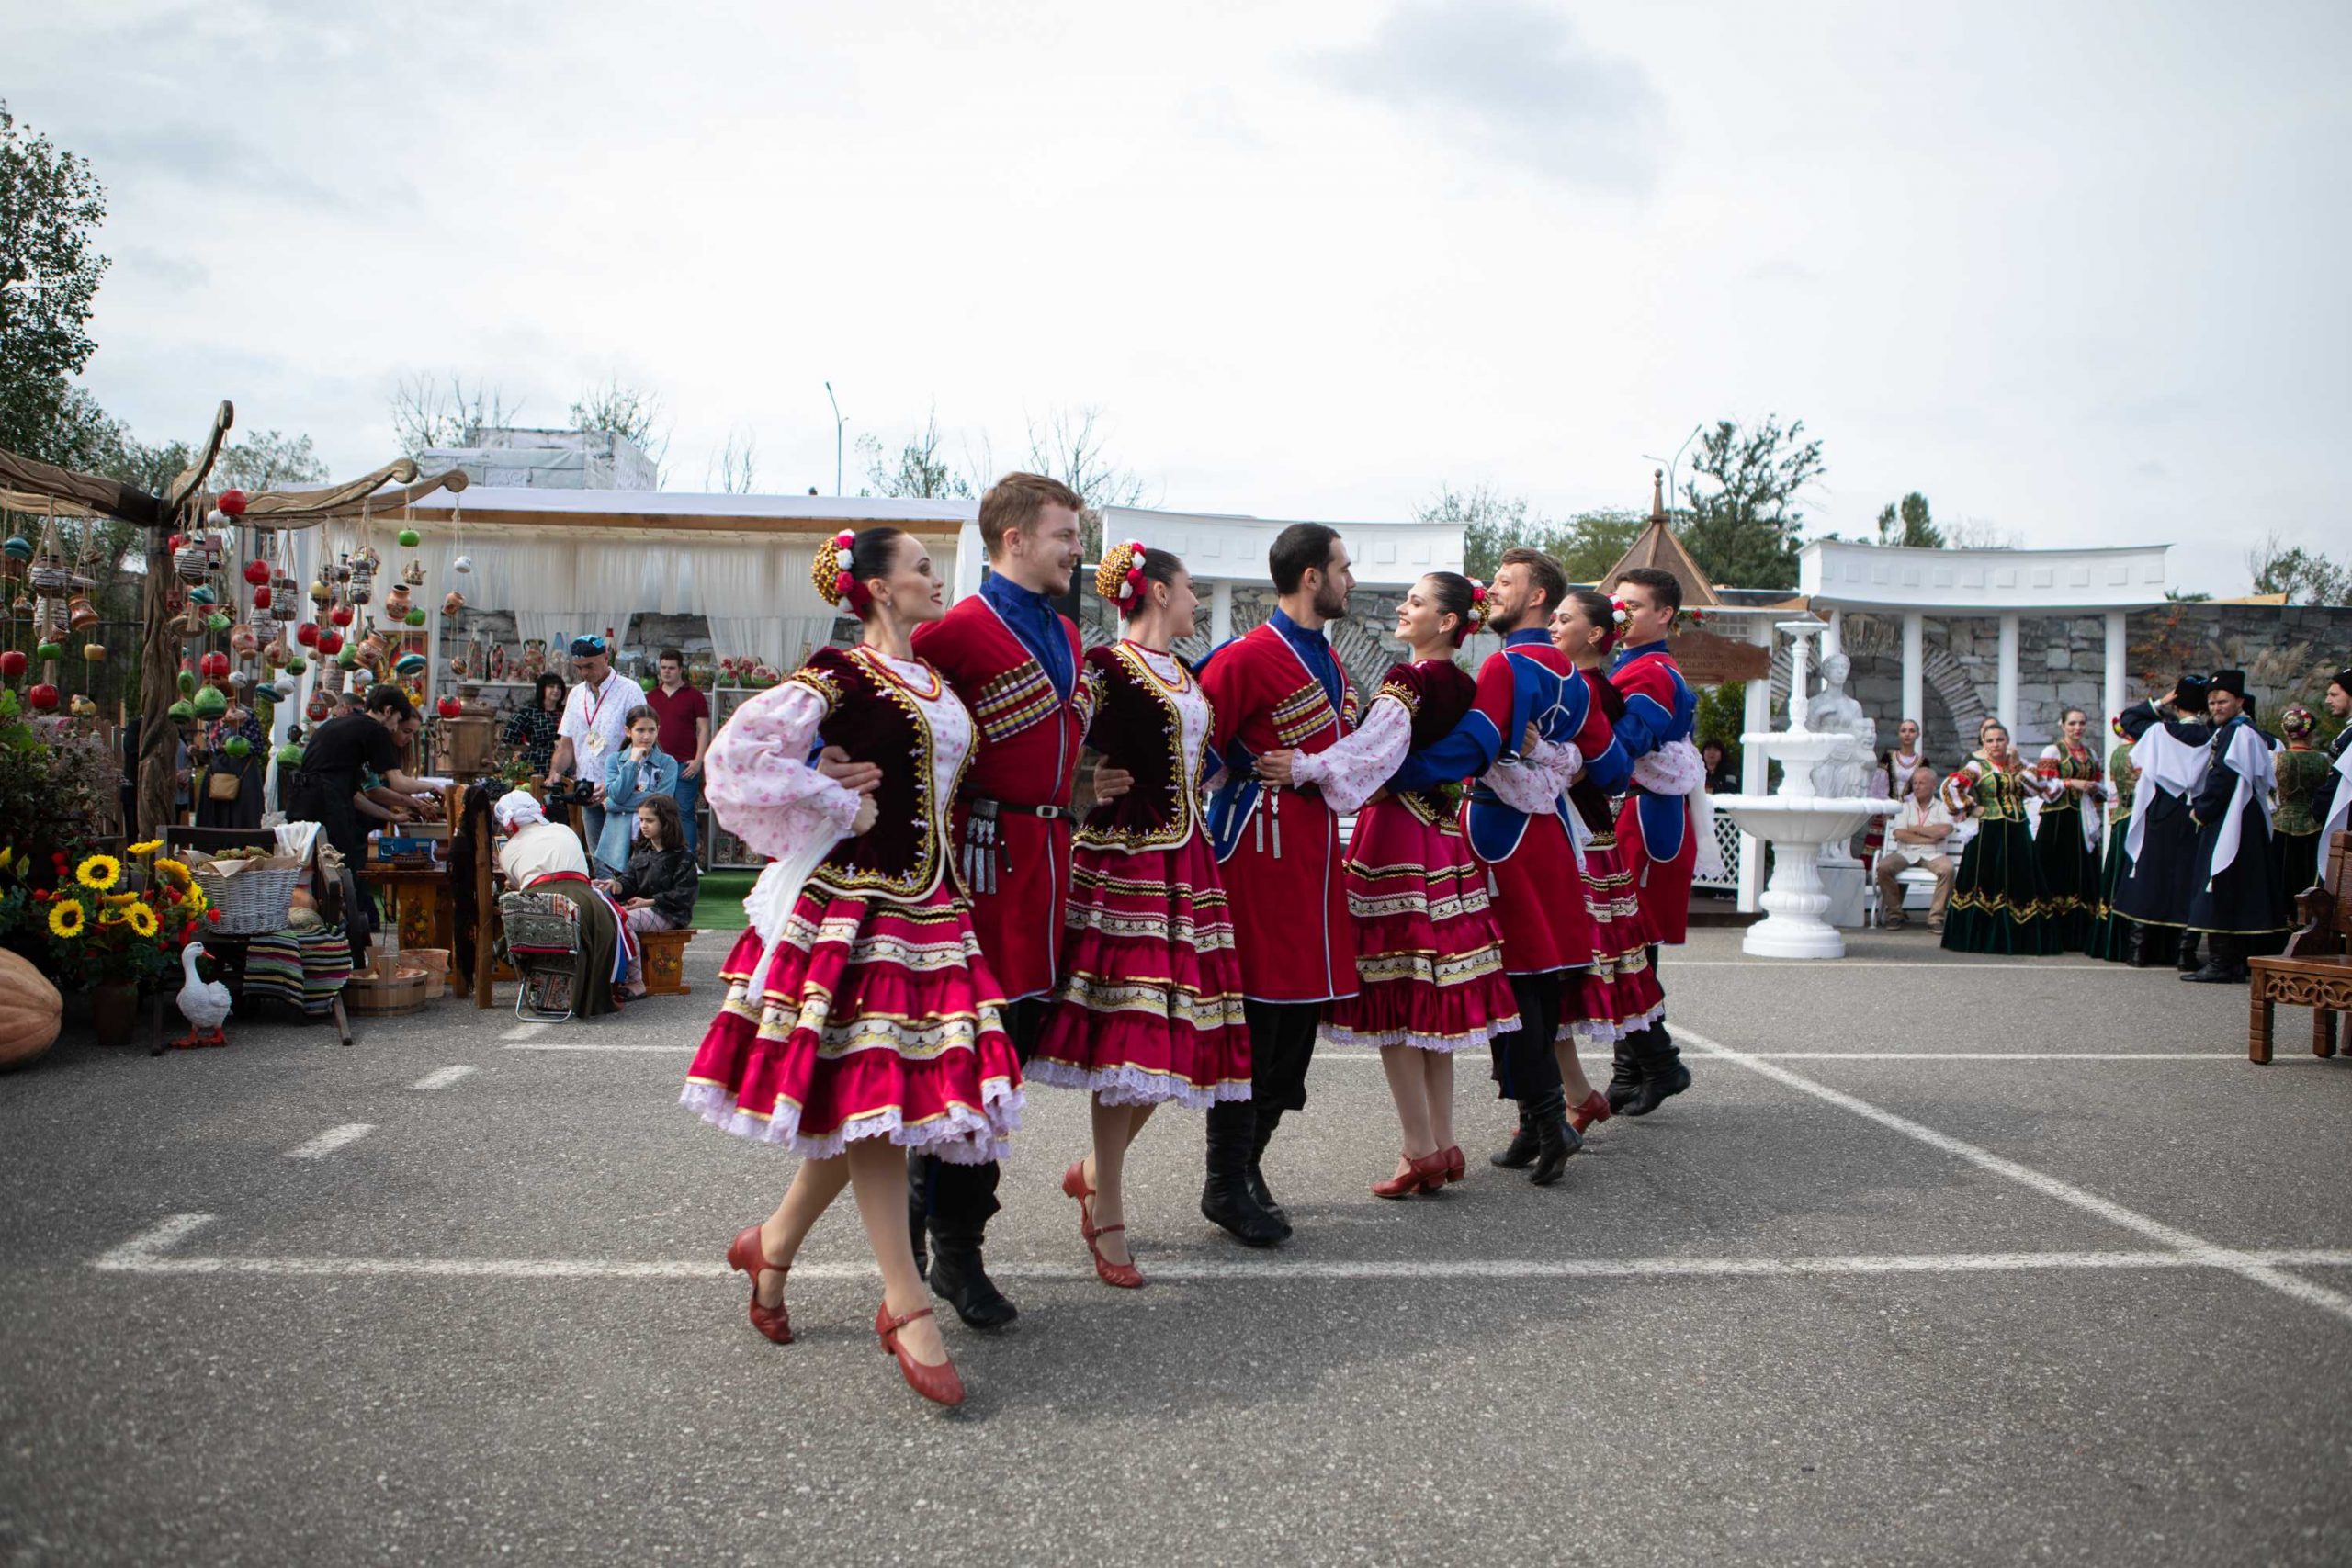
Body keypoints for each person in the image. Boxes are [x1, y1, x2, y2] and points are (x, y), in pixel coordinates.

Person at [680, 525, 1019, 1408]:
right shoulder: (840, 671)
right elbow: (735, 760)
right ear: (874, 588)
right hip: (862, 905)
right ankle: (905, 1301)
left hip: (934, 904)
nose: (932, 577)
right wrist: (825, 786)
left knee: (880, 1096)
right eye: (917, 568)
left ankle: (773, 1243)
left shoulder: (937, 681)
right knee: (877, 1101)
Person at [904, 471, 1129, 1327]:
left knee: (1011, 1053)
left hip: (1050, 857)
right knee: (969, 1059)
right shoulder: (956, 630)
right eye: (1066, 535)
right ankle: (942, 1252)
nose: (1078, 550)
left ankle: (950, 1243)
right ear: (1014, 542)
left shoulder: (1069, 630)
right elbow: (898, 721)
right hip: (981, 863)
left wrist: (1084, 784)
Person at [1030, 543, 1250, 1285]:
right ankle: (1110, 1208)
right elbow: (1053, 732)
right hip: (1127, 860)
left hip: (1189, 863)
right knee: (1128, 1034)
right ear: (1157, 591)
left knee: (1176, 1039)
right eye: (1189, 589)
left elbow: (1206, 758)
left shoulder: (1187, 674)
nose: (1194, 602)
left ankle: (1095, 1172)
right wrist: (1084, 777)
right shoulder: (1105, 664)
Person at [1262, 570, 1519, 1198]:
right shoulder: (1463, 683)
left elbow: (1376, 749)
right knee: (1430, 996)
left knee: (1396, 997)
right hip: (1443, 838)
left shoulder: (1408, 678)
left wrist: (1306, 765)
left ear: (1450, 621)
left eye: (1418, 602)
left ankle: (1419, 1146)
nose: (1404, 607)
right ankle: (1441, 1139)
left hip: (1397, 839)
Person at [1384, 549, 1631, 1185]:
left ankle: (1549, 1121)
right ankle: (1536, 1120)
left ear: (1540, 597)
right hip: (1548, 836)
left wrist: (1388, 770)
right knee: (1538, 981)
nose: (1492, 590)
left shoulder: (1507, 664)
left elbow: (1474, 744)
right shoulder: (1576, 680)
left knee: (1516, 983)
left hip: (1500, 835)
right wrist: (1558, 752)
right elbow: (1613, 769)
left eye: (1506, 583)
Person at [1196, 523, 1359, 1244]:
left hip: (1317, 862)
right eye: (1343, 569)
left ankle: (1249, 1166)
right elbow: (1192, 752)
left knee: (1296, 1030)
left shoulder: (1336, 665)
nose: (1351, 580)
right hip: (1257, 856)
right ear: (1311, 577)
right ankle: (1226, 1180)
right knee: (1257, 1021)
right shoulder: (1242, 659)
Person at [1547, 589, 1669, 1120]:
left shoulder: (1595, 687)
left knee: (1578, 962)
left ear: (1596, 634)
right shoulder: (1587, 684)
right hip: (1586, 828)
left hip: (1580, 832)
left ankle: (1563, 1097)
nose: (1554, 625)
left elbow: (1610, 758)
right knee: (1598, 960)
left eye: (1565, 619)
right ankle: (1618, 1075)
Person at [1603, 564, 1701, 1116]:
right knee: (1630, 947)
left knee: (1626, 946)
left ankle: (1657, 1063)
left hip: (1646, 819)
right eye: (1618, 605)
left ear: (1664, 613)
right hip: (1642, 814)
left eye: (1633, 606)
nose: (1622, 614)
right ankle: (1632, 1070)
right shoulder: (1635, 666)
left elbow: (1623, 747)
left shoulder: (1650, 673)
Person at [292, 686, 436, 957]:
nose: (395, 729)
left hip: (304, 801)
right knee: (337, 875)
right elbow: (397, 782)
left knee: (315, 876)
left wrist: (396, 814)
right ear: (388, 711)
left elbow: (357, 795)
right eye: (397, 722)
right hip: (327, 806)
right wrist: (435, 789)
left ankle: (320, 942)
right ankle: (336, 947)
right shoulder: (374, 730)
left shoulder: (342, 724)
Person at [2180, 670, 2289, 982]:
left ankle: (2221, 962)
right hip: (2242, 815)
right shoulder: (2241, 731)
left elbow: (2223, 776)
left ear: (2239, 701)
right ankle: (2234, 960)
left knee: (2220, 880)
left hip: (2232, 815)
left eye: (2222, 701)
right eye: (2212, 702)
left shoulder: (2237, 732)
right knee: (2236, 883)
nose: (2216, 707)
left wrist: (2201, 810)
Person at [495, 787, 634, 1018]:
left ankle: (547, 993)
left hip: (540, 905)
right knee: (608, 919)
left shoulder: (507, 851)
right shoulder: (563, 830)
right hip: (586, 901)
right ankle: (597, 996)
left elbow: (519, 883)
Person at [2112, 677, 2215, 969]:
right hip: (2195, 811)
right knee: (2188, 878)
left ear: (2177, 702)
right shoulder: (2214, 735)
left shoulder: (2160, 731)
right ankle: (2185, 952)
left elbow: (2127, 720)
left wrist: (2160, 702)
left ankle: (2139, 949)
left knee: (2148, 875)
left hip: (2162, 810)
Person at [1939, 719, 2062, 954]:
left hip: (2017, 830)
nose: (1996, 745)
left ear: (2007, 742)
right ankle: (1981, 937)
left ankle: (2020, 939)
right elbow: (1950, 787)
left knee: (2020, 879)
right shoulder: (1978, 766)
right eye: (1990, 741)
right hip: (1989, 832)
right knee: (1987, 880)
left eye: (2000, 740)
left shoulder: (2019, 764)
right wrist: (1970, 806)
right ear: (1984, 744)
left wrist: (2016, 766)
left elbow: (2038, 788)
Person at [596, 793, 700, 999]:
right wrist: (615, 885)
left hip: (670, 913)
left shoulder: (683, 856)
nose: (643, 825)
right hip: (643, 909)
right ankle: (612, 976)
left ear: (667, 821)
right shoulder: (642, 852)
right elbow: (630, 881)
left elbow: (684, 895)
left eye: (650, 820)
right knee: (607, 916)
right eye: (641, 820)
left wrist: (650, 901)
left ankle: (636, 981)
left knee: (624, 920)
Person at [547, 635, 634, 858]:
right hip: (587, 789)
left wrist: (614, 784)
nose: (584, 673)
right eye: (579, 668)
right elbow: (566, 744)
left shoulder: (629, 691)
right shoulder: (576, 695)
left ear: (606, 658)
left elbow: (642, 744)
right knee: (598, 858)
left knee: (621, 858)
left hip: (620, 790)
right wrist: (555, 773)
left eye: (589, 666)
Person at [2030, 708, 2106, 949]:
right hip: (2058, 819)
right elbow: (2042, 784)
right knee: (2056, 871)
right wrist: (2070, 782)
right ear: (2062, 725)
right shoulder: (2053, 751)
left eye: (2082, 723)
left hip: (2081, 818)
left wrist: (2094, 788)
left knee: (2082, 871)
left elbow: (2100, 782)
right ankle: (2051, 932)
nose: (2078, 728)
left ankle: (2081, 933)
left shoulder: (2090, 753)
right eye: (2072, 723)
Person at [596, 705, 680, 876]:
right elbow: (618, 793)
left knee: (648, 891)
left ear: (658, 730)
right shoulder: (614, 760)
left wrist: (614, 805)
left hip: (654, 840)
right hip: (618, 841)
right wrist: (632, 762)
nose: (647, 736)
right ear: (628, 731)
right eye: (640, 730)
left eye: (652, 730)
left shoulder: (667, 763)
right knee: (619, 893)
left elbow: (661, 802)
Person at [1874, 765, 1958, 931]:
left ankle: (1935, 918)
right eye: (1915, 783)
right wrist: (1930, 837)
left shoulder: (1943, 807)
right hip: (1905, 852)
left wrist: (1915, 829)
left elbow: (1944, 830)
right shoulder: (1905, 807)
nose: (1917, 787)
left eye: (1922, 783)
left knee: (1948, 869)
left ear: (1933, 786)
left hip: (1934, 855)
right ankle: (1895, 915)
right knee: (1884, 867)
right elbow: (1900, 834)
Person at [646, 649, 711, 857]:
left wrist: (699, 760)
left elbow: (703, 730)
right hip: (656, 764)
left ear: (681, 669)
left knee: (684, 812)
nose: (667, 672)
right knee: (656, 812)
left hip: (685, 764)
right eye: (663, 667)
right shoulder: (651, 696)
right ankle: (660, 856)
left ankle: (689, 858)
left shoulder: (695, 696)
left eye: (671, 668)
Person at [2085, 731, 2141, 962]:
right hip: (2139, 819)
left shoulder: (2117, 752)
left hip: (2122, 817)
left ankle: (2118, 939)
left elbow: (2111, 792)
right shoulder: (2144, 751)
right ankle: (2135, 943)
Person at [2271, 705, 2332, 899]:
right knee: (2306, 874)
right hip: (2312, 823)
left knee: (2281, 874)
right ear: (2310, 733)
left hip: (2280, 822)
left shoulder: (2277, 759)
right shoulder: (2324, 761)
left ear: (2286, 732)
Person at [194, 700, 267, 829]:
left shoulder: (245, 715)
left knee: (242, 819)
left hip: (243, 774)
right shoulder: (212, 716)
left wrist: (234, 747)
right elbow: (209, 748)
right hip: (217, 776)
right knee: (215, 820)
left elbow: (258, 747)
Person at [503, 672, 567, 779]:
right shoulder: (529, 712)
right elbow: (509, 737)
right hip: (537, 764)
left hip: (562, 763)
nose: (556, 690)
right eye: (551, 686)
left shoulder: (566, 712)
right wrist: (530, 750)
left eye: (559, 687)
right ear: (542, 689)